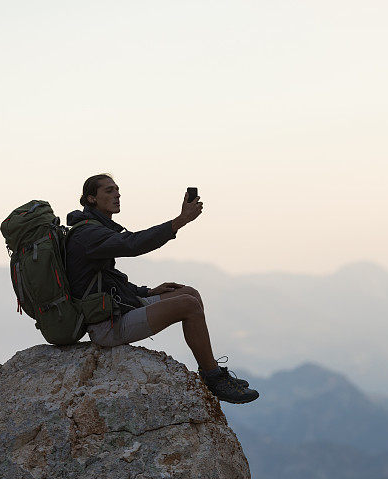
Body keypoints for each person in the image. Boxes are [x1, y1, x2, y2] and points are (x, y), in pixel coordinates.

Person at [65, 173, 259, 404]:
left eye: (117, 189)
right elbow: (133, 244)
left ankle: (211, 369)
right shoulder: (89, 233)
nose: (117, 194)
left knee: (189, 293)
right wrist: (180, 221)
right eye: (108, 191)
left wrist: (146, 292)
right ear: (91, 198)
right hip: (106, 326)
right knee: (188, 305)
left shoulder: (95, 228)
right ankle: (213, 378)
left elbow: (107, 279)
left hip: (117, 308)